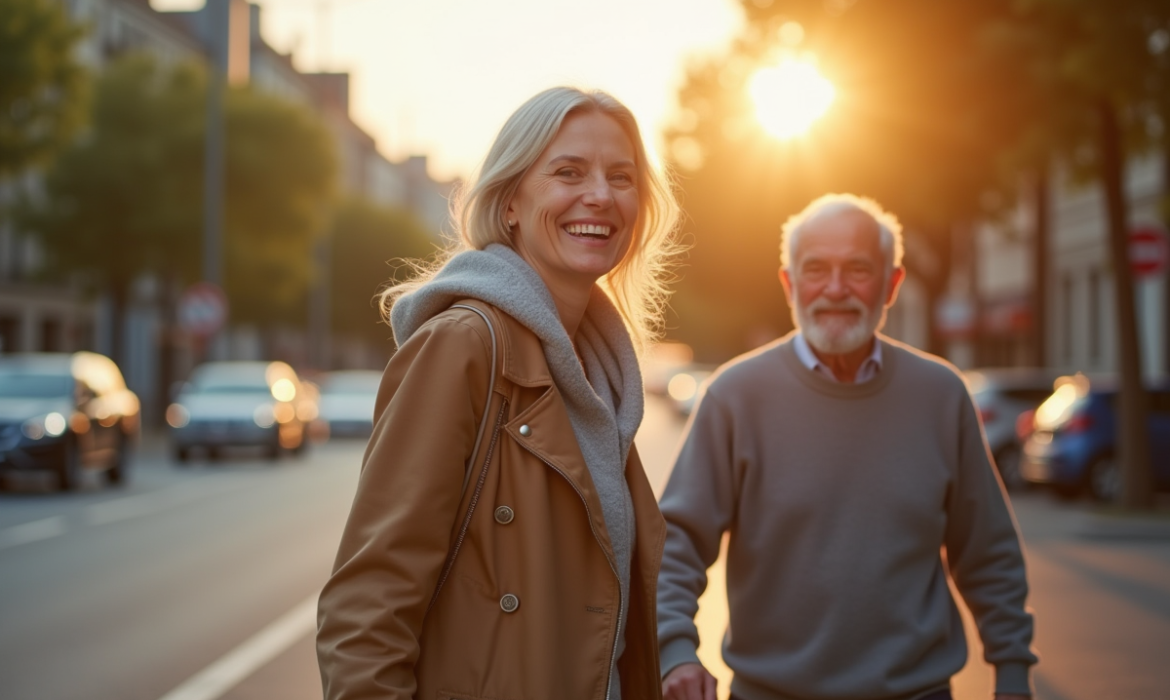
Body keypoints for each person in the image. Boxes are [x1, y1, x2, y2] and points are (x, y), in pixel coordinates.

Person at [316, 87, 681, 700]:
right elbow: (369, 605)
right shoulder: (463, 346)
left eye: (622, 176)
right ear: (510, 201)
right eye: (568, 171)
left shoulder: (601, 373)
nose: (600, 194)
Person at [656, 194, 1037, 700]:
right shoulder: (735, 396)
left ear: (891, 284)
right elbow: (675, 544)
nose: (835, 289)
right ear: (789, 284)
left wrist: (1012, 670)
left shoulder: (941, 395)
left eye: (858, 269)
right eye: (816, 269)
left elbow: (988, 551)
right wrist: (675, 649)